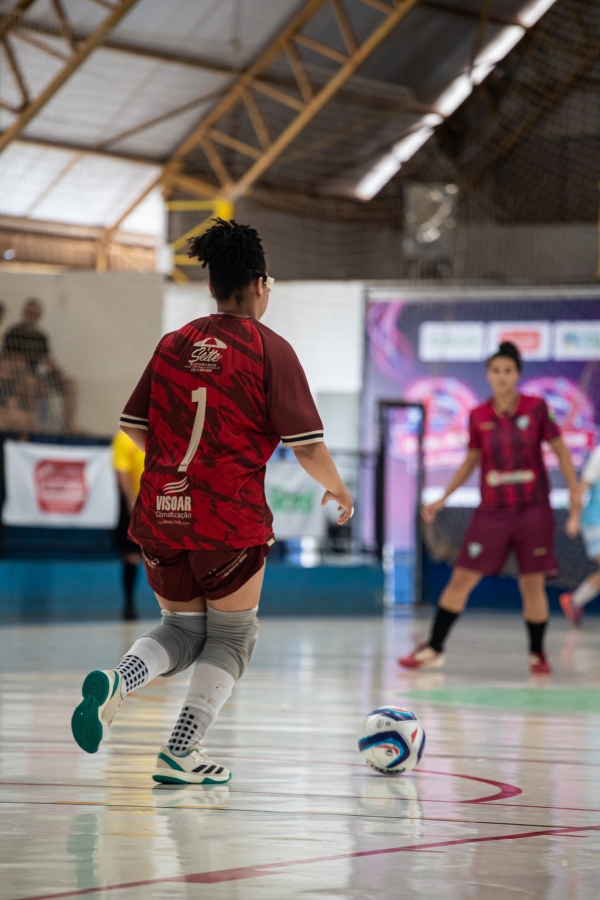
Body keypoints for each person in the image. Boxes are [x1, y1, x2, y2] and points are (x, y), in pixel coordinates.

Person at [71, 219, 353, 784]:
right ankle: (181, 750)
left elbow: (133, 425)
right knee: (232, 636)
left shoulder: (173, 343)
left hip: (160, 511)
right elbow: (307, 445)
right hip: (227, 517)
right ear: (260, 285)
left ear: (211, 286)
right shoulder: (270, 349)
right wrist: (340, 488)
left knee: (181, 629)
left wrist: (181, 464)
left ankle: (120, 679)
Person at [399, 341, 579, 675]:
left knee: (532, 584)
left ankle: (537, 653)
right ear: (488, 375)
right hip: (492, 511)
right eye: (496, 371)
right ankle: (434, 647)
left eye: (507, 371)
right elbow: (470, 461)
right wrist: (442, 498)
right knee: (462, 577)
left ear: (517, 374)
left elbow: (561, 450)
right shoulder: (478, 415)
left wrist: (574, 491)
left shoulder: (537, 408)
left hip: (533, 510)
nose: (501, 376)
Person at [3, 297, 76, 432]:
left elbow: (48, 360)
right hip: (18, 378)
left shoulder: (41, 336)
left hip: (37, 377)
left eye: (34, 313)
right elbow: (9, 360)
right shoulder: (13, 333)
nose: (31, 316)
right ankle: (33, 422)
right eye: (29, 312)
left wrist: (61, 376)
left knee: (70, 384)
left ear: (39, 316)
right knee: (30, 382)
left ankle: (70, 425)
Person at [559, 446, 600, 625]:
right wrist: (574, 517)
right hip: (595, 522)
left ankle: (574, 601)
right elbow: (581, 488)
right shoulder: (599, 455)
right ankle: (573, 601)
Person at [112, 429, 145, 620]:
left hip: (159, 500)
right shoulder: (124, 438)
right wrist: (130, 500)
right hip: (135, 500)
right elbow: (121, 470)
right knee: (131, 553)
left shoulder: (163, 434)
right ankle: (129, 603)